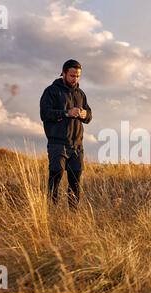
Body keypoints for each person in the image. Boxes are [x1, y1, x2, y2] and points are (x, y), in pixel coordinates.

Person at [40, 59, 92, 211]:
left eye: (77, 76)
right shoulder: (51, 91)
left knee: (75, 183)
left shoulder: (81, 94)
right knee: (55, 178)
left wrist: (84, 114)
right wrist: (66, 112)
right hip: (57, 144)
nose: (75, 79)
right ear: (63, 73)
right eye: (72, 75)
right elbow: (45, 114)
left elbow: (89, 116)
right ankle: (51, 212)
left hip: (77, 145)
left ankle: (73, 216)